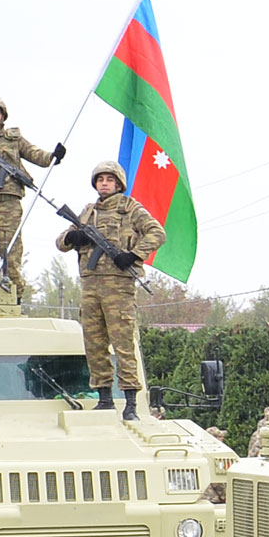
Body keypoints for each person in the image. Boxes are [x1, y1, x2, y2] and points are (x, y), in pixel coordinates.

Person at [62, 159, 165, 416]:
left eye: (109, 180)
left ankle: (130, 402)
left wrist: (133, 255)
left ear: (119, 184)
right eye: (100, 180)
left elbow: (157, 233)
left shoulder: (130, 208)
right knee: (94, 344)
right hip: (90, 285)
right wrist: (73, 237)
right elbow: (61, 243)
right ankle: (104, 397)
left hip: (118, 286)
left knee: (123, 344)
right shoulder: (88, 213)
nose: (104, 184)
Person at [0, 94, 62, 297]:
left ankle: (15, 295)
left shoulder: (14, 139)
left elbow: (36, 155)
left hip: (9, 203)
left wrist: (54, 156)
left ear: (3, 116)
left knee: (12, 253)